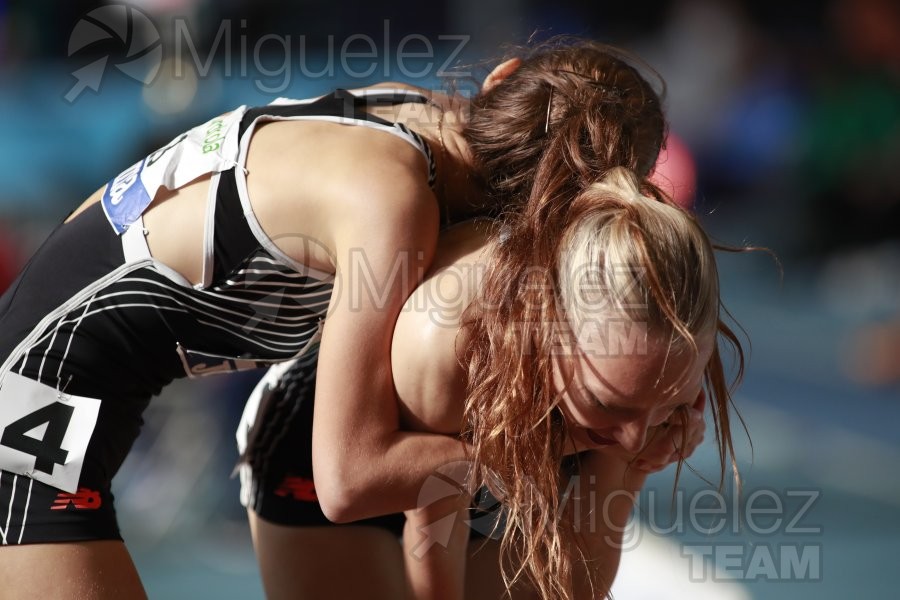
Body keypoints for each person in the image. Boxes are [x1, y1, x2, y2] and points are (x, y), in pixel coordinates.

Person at [0, 37, 670, 597]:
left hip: (53, 363)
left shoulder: (417, 119)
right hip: (33, 392)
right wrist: (561, 447)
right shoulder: (393, 205)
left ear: (502, 81)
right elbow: (348, 480)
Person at [236, 43, 745, 600]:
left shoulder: (659, 327)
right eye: (613, 408)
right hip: (334, 451)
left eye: (667, 407)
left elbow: (580, 588)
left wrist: (630, 466)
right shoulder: (450, 335)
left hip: (505, 438)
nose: (637, 432)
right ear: (558, 336)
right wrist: (554, 448)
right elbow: (395, 508)